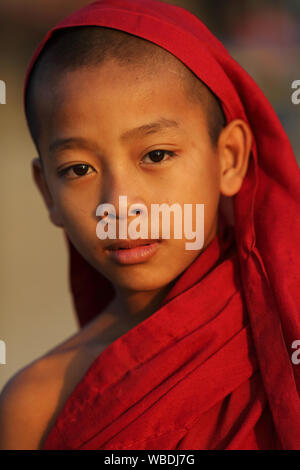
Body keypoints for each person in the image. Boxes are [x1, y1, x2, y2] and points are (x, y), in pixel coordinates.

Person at [0, 0, 300, 450]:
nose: (119, 205)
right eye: (78, 170)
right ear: (48, 193)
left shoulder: (287, 323)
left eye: (156, 155)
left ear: (230, 158)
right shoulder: (37, 405)